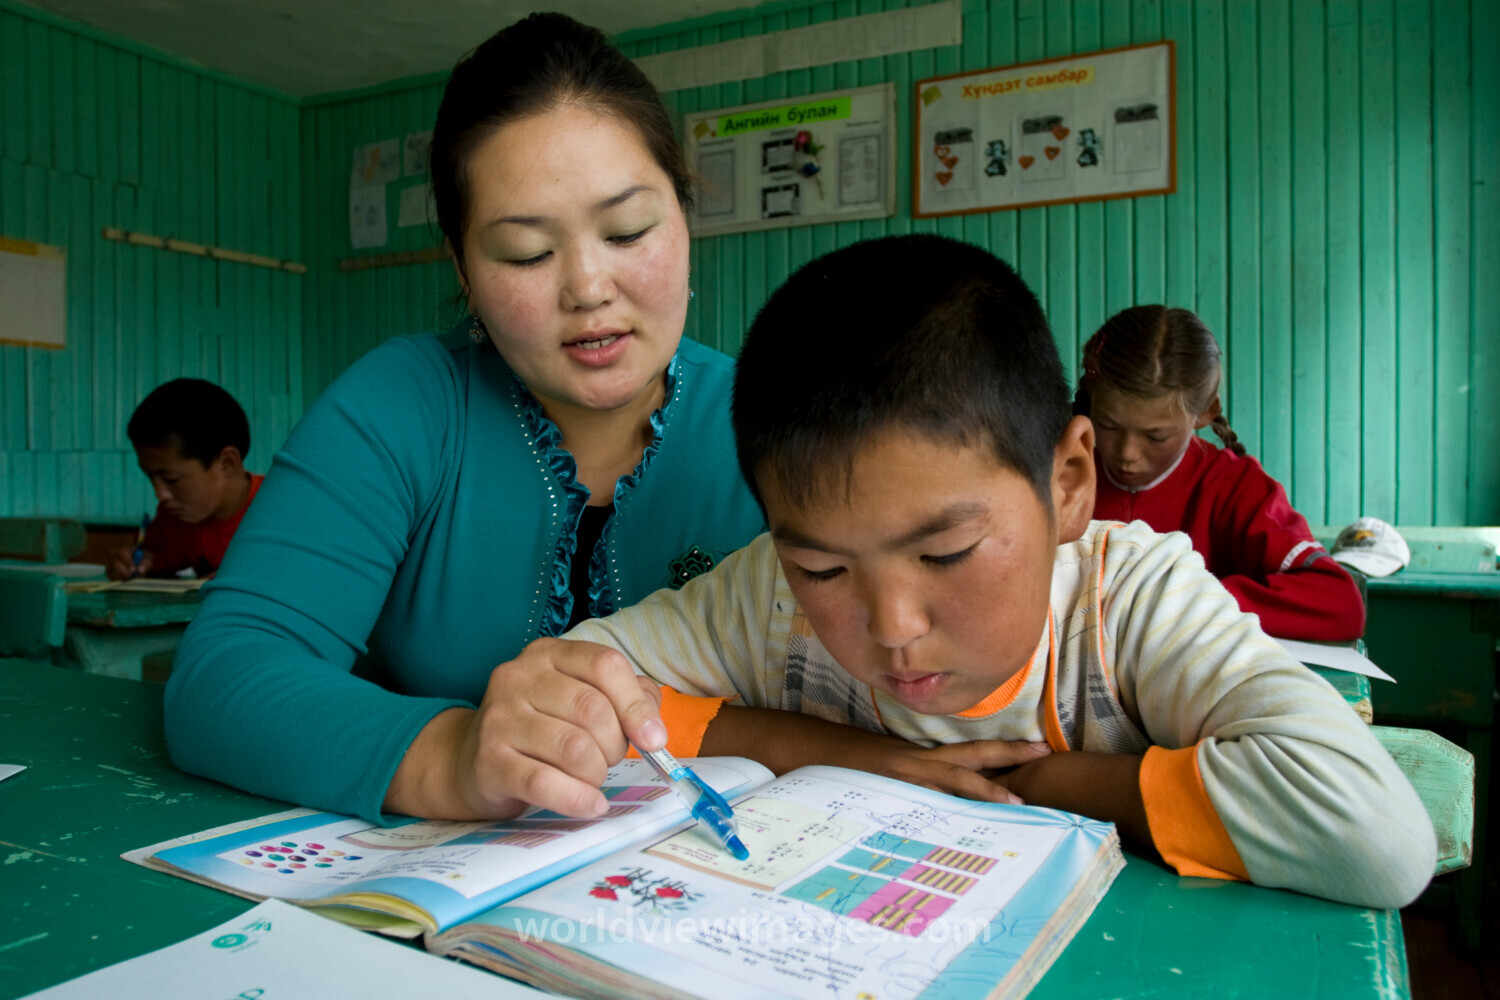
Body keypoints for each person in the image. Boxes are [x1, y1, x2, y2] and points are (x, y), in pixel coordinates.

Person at [559, 234, 1434, 909]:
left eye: (945, 553)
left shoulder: (1129, 598)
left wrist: (1042, 780)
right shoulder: (769, 592)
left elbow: (1377, 837)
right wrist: (853, 757)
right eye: (825, 565)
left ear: (1068, 481)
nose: (894, 626)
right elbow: (568, 686)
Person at [163, 14, 764, 824]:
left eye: (627, 230)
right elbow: (222, 677)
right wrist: (451, 755)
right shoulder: (401, 405)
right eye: (525, 253)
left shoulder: (776, 421)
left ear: (684, 217)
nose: (588, 287)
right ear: (462, 266)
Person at [1076, 306, 1365, 641]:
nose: (1127, 454)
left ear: (1205, 412)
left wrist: (1186, 603)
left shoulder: (1236, 486)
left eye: (1156, 437)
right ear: (1090, 398)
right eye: (1109, 425)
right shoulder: (1054, 473)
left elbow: (1340, 605)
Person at [107, 378, 262, 581]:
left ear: (227, 463)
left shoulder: (280, 512)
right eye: (149, 477)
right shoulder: (175, 518)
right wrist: (132, 565)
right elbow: (152, 561)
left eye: (172, 479)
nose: (159, 494)